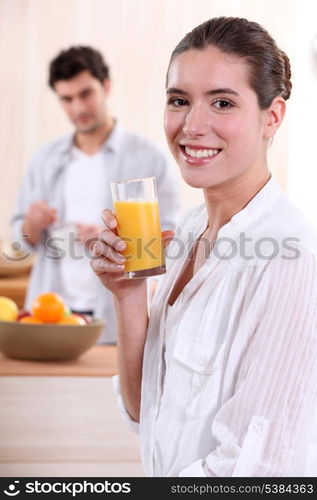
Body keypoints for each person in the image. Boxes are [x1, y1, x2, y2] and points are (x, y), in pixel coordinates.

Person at [91, 17, 317, 476]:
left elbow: (256, 472)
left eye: (222, 102)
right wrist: (129, 294)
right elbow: (144, 413)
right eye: (179, 101)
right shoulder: (190, 232)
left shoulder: (290, 260)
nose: (192, 125)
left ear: (271, 117)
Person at [11, 46, 180, 343]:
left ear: (106, 86)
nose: (78, 108)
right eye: (67, 99)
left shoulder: (149, 157)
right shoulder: (44, 160)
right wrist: (30, 227)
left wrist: (115, 243)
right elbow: (20, 244)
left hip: (117, 320)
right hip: (49, 316)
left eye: (85, 94)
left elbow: (170, 238)